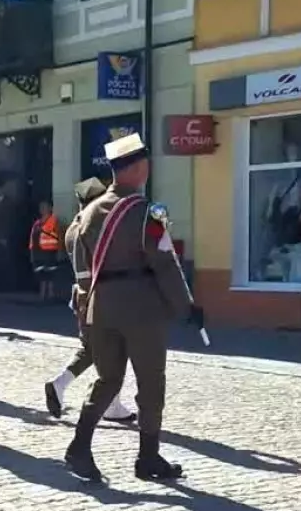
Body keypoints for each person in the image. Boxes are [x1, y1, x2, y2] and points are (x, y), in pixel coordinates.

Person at [64, 133, 199, 484]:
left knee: (108, 379)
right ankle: (148, 457)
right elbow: (165, 262)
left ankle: (79, 446)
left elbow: (81, 264)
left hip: (100, 305)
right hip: (141, 307)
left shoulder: (87, 213)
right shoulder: (148, 213)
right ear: (140, 168)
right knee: (151, 383)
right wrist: (186, 305)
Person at [43, 178, 137, 424]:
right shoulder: (92, 226)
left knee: (93, 348)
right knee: (113, 347)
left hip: (83, 295)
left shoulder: (74, 227)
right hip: (100, 294)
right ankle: (107, 405)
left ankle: (61, 385)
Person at [29, 199, 63, 302]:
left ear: (50, 208)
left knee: (51, 273)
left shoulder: (54, 220)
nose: (42, 209)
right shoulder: (37, 223)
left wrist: (60, 251)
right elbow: (32, 238)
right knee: (41, 273)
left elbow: (60, 236)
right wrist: (32, 252)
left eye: (45, 207)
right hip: (39, 252)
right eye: (41, 207)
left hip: (51, 251)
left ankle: (51, 293)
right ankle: (43, 294)